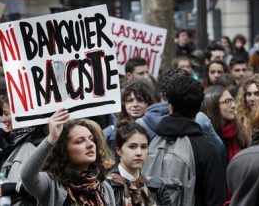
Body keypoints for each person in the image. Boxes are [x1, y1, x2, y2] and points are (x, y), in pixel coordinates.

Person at [143, 75, 226, 205]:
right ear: (199, 108)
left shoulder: (146, 142)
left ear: (170, 106)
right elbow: (215, 199)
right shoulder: (207, 149)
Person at [21, 108, 116, 206]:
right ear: (64, 150)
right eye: (80, 141)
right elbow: (27, 175)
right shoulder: (51, 184)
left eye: (91, 139)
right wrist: (51, 139)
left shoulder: (104, 187)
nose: (90, 144)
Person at [106, 122, 174, 206]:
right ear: (118, 150)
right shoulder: (106, 186)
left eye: (144, 147)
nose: (139, 153)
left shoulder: (157, 186)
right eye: (132, 146)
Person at [201, 86, 250, 162]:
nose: (233, 105)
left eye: (232, 100)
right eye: (227, 101)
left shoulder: (239, 129)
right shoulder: (207, 138)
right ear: (213, 107)